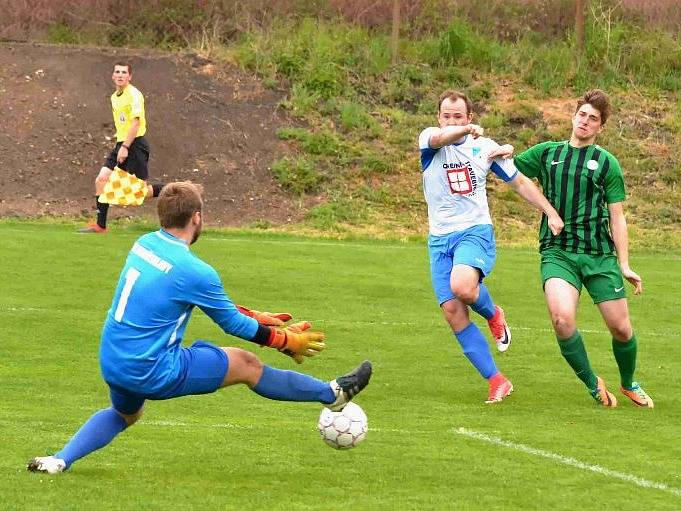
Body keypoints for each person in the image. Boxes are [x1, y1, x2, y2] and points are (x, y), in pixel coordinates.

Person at [28, 181, 372, 474]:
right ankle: (334, 393)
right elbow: (231, 323)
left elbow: (204, 301)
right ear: (197, 218)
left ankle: (59, 460)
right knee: (246, 364)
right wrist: (283, 340)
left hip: (114, 360)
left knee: (123, 414)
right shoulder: (195, 270)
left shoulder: (145, 244)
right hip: (153, 369)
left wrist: (258, 316)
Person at [419, 90, 563, 404]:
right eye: (447, 115)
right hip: (439, 239)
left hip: (474, 232)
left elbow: (520, 182)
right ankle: (497, 380)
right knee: (453, 313)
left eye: (459, 116)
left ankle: (494, 313)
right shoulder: (429, 140)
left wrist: (550, 212)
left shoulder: (484, 149)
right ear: (439, 118)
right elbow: (439, 139)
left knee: (463, 287)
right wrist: (462, 131)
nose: (452, 120)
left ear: (469, 117)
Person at [512, 89, 652, 408]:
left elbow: (617, 217)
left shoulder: (607, 164)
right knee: (562, 319)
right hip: (558, 253)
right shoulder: (547, 153)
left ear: (600, 127)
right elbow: (511, 171)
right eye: (582, 115)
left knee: (620, 327)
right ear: (573, 116)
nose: (585, 121)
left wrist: (625, 264)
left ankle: (629, 382)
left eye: (593, 119)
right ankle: (592, 382)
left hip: (599, 255)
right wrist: (497, 150)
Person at [79, 62, 164, 234]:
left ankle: (179, 189)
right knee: (101, 179)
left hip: (135, 144)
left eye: (124, 72)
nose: (120, 75)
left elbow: (136, 122)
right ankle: (100, 226)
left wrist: (125, 146)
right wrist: (121, 145)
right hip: (122, 143)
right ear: (112, 75)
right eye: (117, 71)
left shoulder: (134, 94)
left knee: (137, 195)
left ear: (129, 77)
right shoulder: (114, 97)